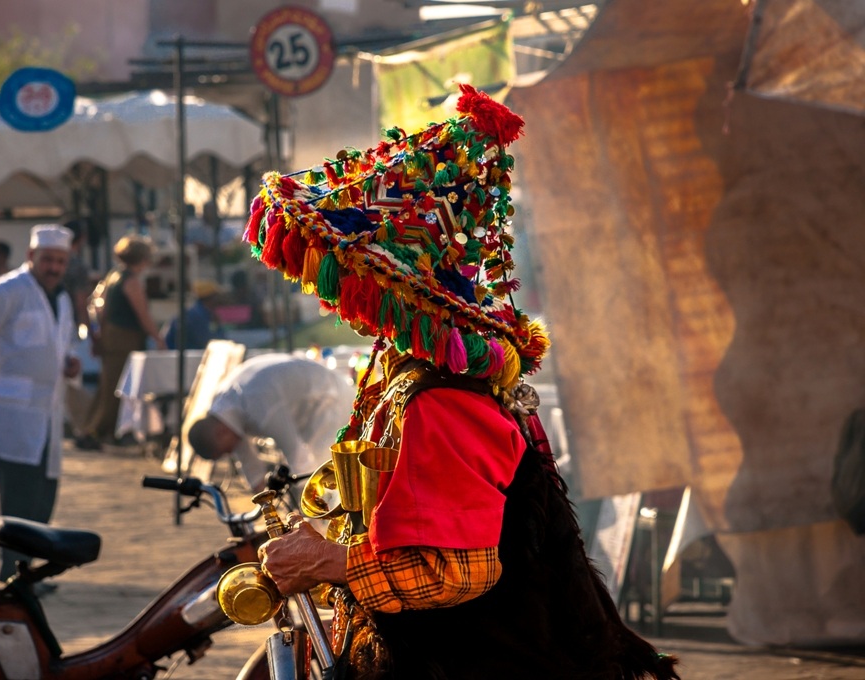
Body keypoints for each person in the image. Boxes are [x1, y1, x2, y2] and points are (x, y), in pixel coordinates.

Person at [251, 85, 680, 678]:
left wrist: (329, 563)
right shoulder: (410, 374)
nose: (336, 295)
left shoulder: (442, 401)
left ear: (397, 289)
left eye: (346, 271)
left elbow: (453, 570)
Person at [0, 224, 81, 583]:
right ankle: (10, 576)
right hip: (12, 411)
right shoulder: (8, 290)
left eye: (60, 261)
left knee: (43, 499)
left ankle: (30, 577)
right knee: (18, 500)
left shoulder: (62, 298)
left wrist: (70, 362)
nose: (54, 267)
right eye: (48, 260)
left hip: (46, 413)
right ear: (31, 257)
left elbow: (59, 344)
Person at [187, 353, 356, 489]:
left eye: (225, 451)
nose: (230, 453)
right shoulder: (223, 413)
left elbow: (297, 456)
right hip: (311, 402)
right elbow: (251, 468)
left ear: (220, 433)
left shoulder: (258, 404)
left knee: (325, 472)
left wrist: (309, 510)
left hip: (330, 397)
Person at [75, 234, 166, 451]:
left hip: (111, 336)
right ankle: (96, 432)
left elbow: (99, 308)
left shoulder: (113, 276)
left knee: (107, 386)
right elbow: (143, 314)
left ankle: (92, 429)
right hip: (125, 338)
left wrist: (99, 335)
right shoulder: (132, 282)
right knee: (117, 389)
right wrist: (158, 338)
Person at [161, 279, 224, 350]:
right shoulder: (196, 315)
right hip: (178, 358)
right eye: (216, 296)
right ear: (210, 298)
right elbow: (210, 342)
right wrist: (217, 325)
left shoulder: (200, 312)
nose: (219, 299)